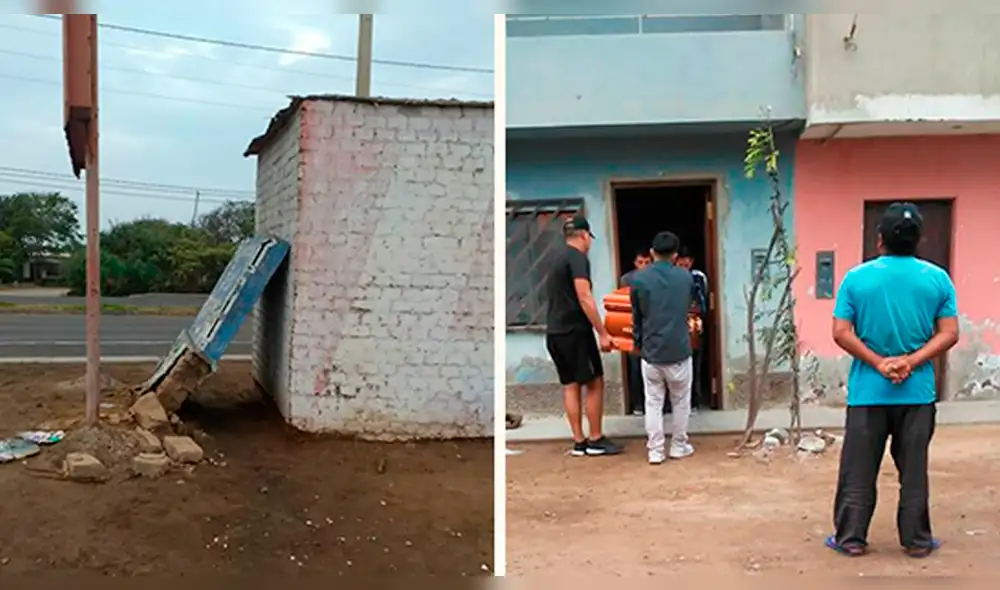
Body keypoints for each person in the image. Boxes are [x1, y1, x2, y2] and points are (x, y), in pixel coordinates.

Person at [826, 202, 959, 559]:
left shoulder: (856, 278)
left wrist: (879, 363)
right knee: (913, 471)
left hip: (868, 393)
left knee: (858, 470)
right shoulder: (937, 278)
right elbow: (949, 333)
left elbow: (841, 332)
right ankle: (917, 541)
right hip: (917, 393)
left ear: (880, 238)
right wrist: (911, 362)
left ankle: (851, 538)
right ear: (919, 239)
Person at [544, 214, 624, 457]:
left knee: (570, 385)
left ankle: (579, 441)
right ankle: (595, 439)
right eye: (589, 237)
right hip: (575, 332)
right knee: (594, 383)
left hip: (554, 332)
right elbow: (584, 296)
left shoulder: (555, 257)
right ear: (584, 235)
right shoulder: (577, 258)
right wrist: (602, 332)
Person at [629, 231, 696, 464]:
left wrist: (638, 344)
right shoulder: (686, 278)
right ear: (675, 255)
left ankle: (655, 451)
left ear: (652, 252)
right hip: (679, 350)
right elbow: (687, 308)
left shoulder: (638, 279)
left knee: (653, 402)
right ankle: (678, 445)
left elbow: (636, 317)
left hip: (651, 351)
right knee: (681, 402)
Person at [620, 247, 652, 415]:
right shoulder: (627, 280)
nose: (644, 266)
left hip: (652, 328)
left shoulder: (656, 279)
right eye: (640, 262)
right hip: (632, 327)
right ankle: (638, 403)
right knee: (635, 367)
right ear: (634, 263)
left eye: (647, 262)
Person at [677, 247, 709, 409]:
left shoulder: (698, 277)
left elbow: (704, 299)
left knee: (695, 364)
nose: (684, 265)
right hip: (676, 327)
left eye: (687, 263)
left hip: (695, 325)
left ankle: (694, 400)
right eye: (681, 263)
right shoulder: (672, 277)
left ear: (692, 261)